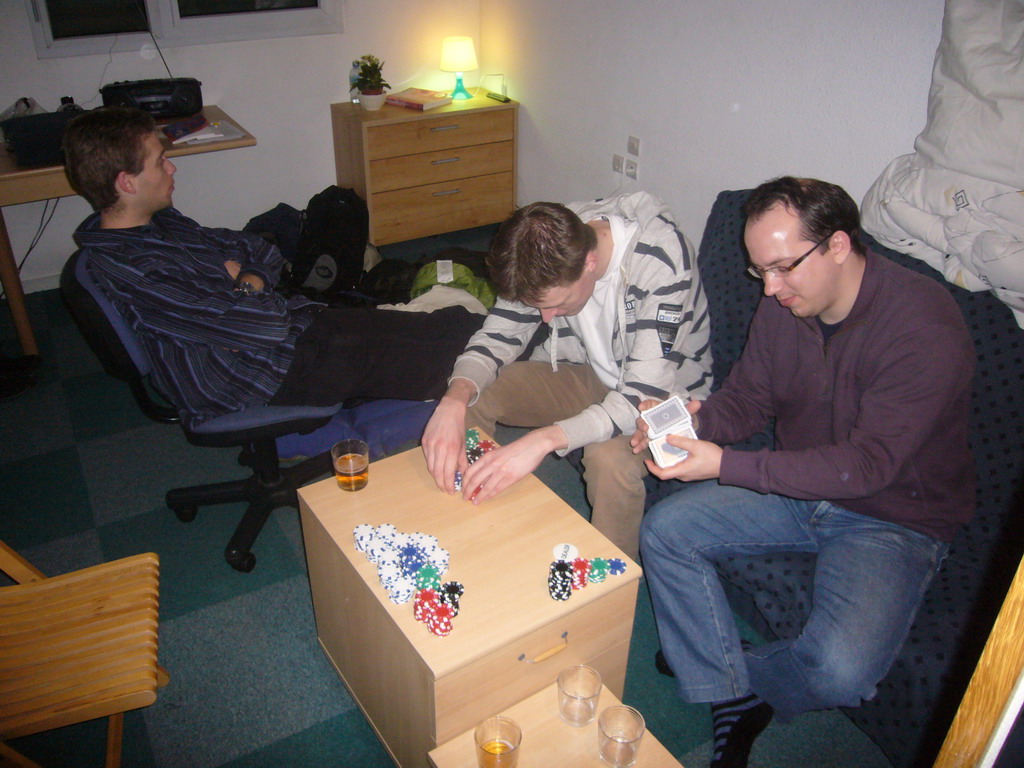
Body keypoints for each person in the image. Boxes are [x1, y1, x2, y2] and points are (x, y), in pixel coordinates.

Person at [632, 177, 975, 768]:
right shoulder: (783, 305)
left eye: (784, 267)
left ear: (839, 245)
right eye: (759, 270)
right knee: (666, 530)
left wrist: (729, 465)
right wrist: (697, 424)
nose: (770, 288)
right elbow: (750, 399)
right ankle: (726, 688)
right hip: (795, 486)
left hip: (893, 515)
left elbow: (868, 467)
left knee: (840, 672)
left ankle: (730, 671)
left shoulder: (924, 327)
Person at [63, 107, 482, 427]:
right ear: (127, 182)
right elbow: (258, 326)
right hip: (253, 375)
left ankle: (499, 332)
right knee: (448, 351)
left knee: (435, 327)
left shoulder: (160, 222)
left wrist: (242, 279)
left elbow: (257, 247)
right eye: (159, 162)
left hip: (288, 330)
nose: (171, 168)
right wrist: (246, 288)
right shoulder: (135, 268)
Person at [421, 193, 712, 558]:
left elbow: (640, 395)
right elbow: (498, 337)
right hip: (591, 373)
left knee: (608, 460)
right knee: (478, 393)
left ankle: (609, 584)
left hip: (662, 399)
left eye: (557, 304)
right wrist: (454, 398)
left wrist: (543, 441)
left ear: (590, 262)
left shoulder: (663, 261)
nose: (547, 319)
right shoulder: (541, 248)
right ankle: (471, 508)